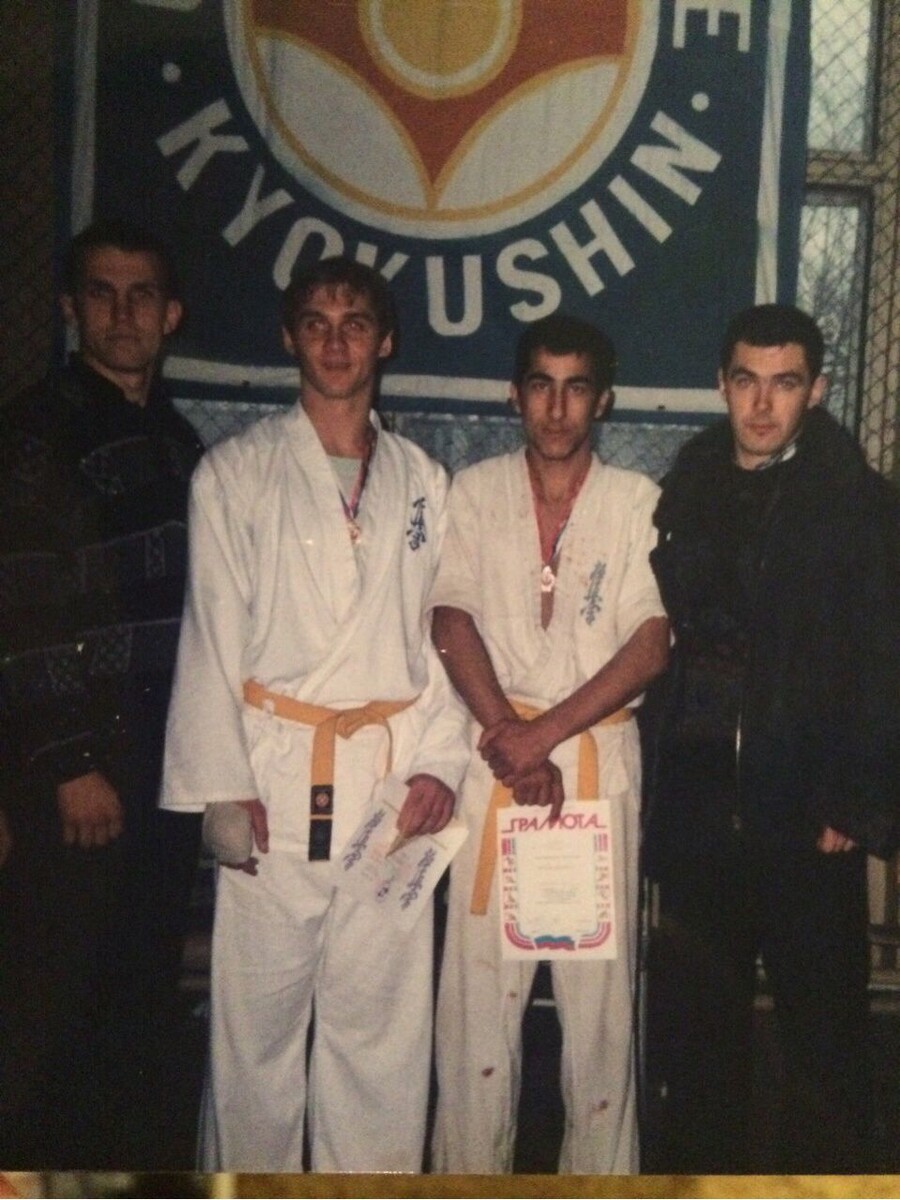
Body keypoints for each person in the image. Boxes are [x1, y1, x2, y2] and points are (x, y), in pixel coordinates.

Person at [160, 256, 469, 1173]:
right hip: (273, 779)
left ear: (386, 341)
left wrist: (440, 765)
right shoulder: (234, 473)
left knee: (381, 1043)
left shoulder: (424, 480)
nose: (337, 342)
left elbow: (441, 633)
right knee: (254, 1043)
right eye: (317, 323)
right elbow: (210, 632)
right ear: (289, 337)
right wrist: (221, 790)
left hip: (388, 783)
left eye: (355, 322)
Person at [643, 303, 900, 1172]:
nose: (762, 404)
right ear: (722, 384)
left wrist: (857, 801)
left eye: (784, 383)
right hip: (700, 810)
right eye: (746, 381)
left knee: (824, 1041)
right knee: (698, 1040)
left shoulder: (860, 506)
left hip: (805, 811)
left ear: (816, 390)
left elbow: (887, 658)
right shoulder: (687, 490)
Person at [428, 312, 669, 1174]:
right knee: (474, 1012)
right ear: (514, 394)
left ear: (602, 401)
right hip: (497, 764)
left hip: (592, 766)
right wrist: (510, 733)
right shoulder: (474, 491)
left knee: (599, 1020)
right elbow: (449, 617)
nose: (557, 408)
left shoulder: (636, 502)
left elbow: (650, 643)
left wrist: (544, 737)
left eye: (575, 389)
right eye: (540, 385)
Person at [0, 219, 205, 1167]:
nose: (123, 314)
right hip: (81, 772)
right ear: (70, 309)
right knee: (50, 1009)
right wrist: (69, 763)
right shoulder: (36, 431)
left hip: (159, 763)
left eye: (141, 295)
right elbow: (19, 608)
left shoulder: (175, 440)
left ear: (171, 314)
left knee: (134, 1000)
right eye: (101, 294)